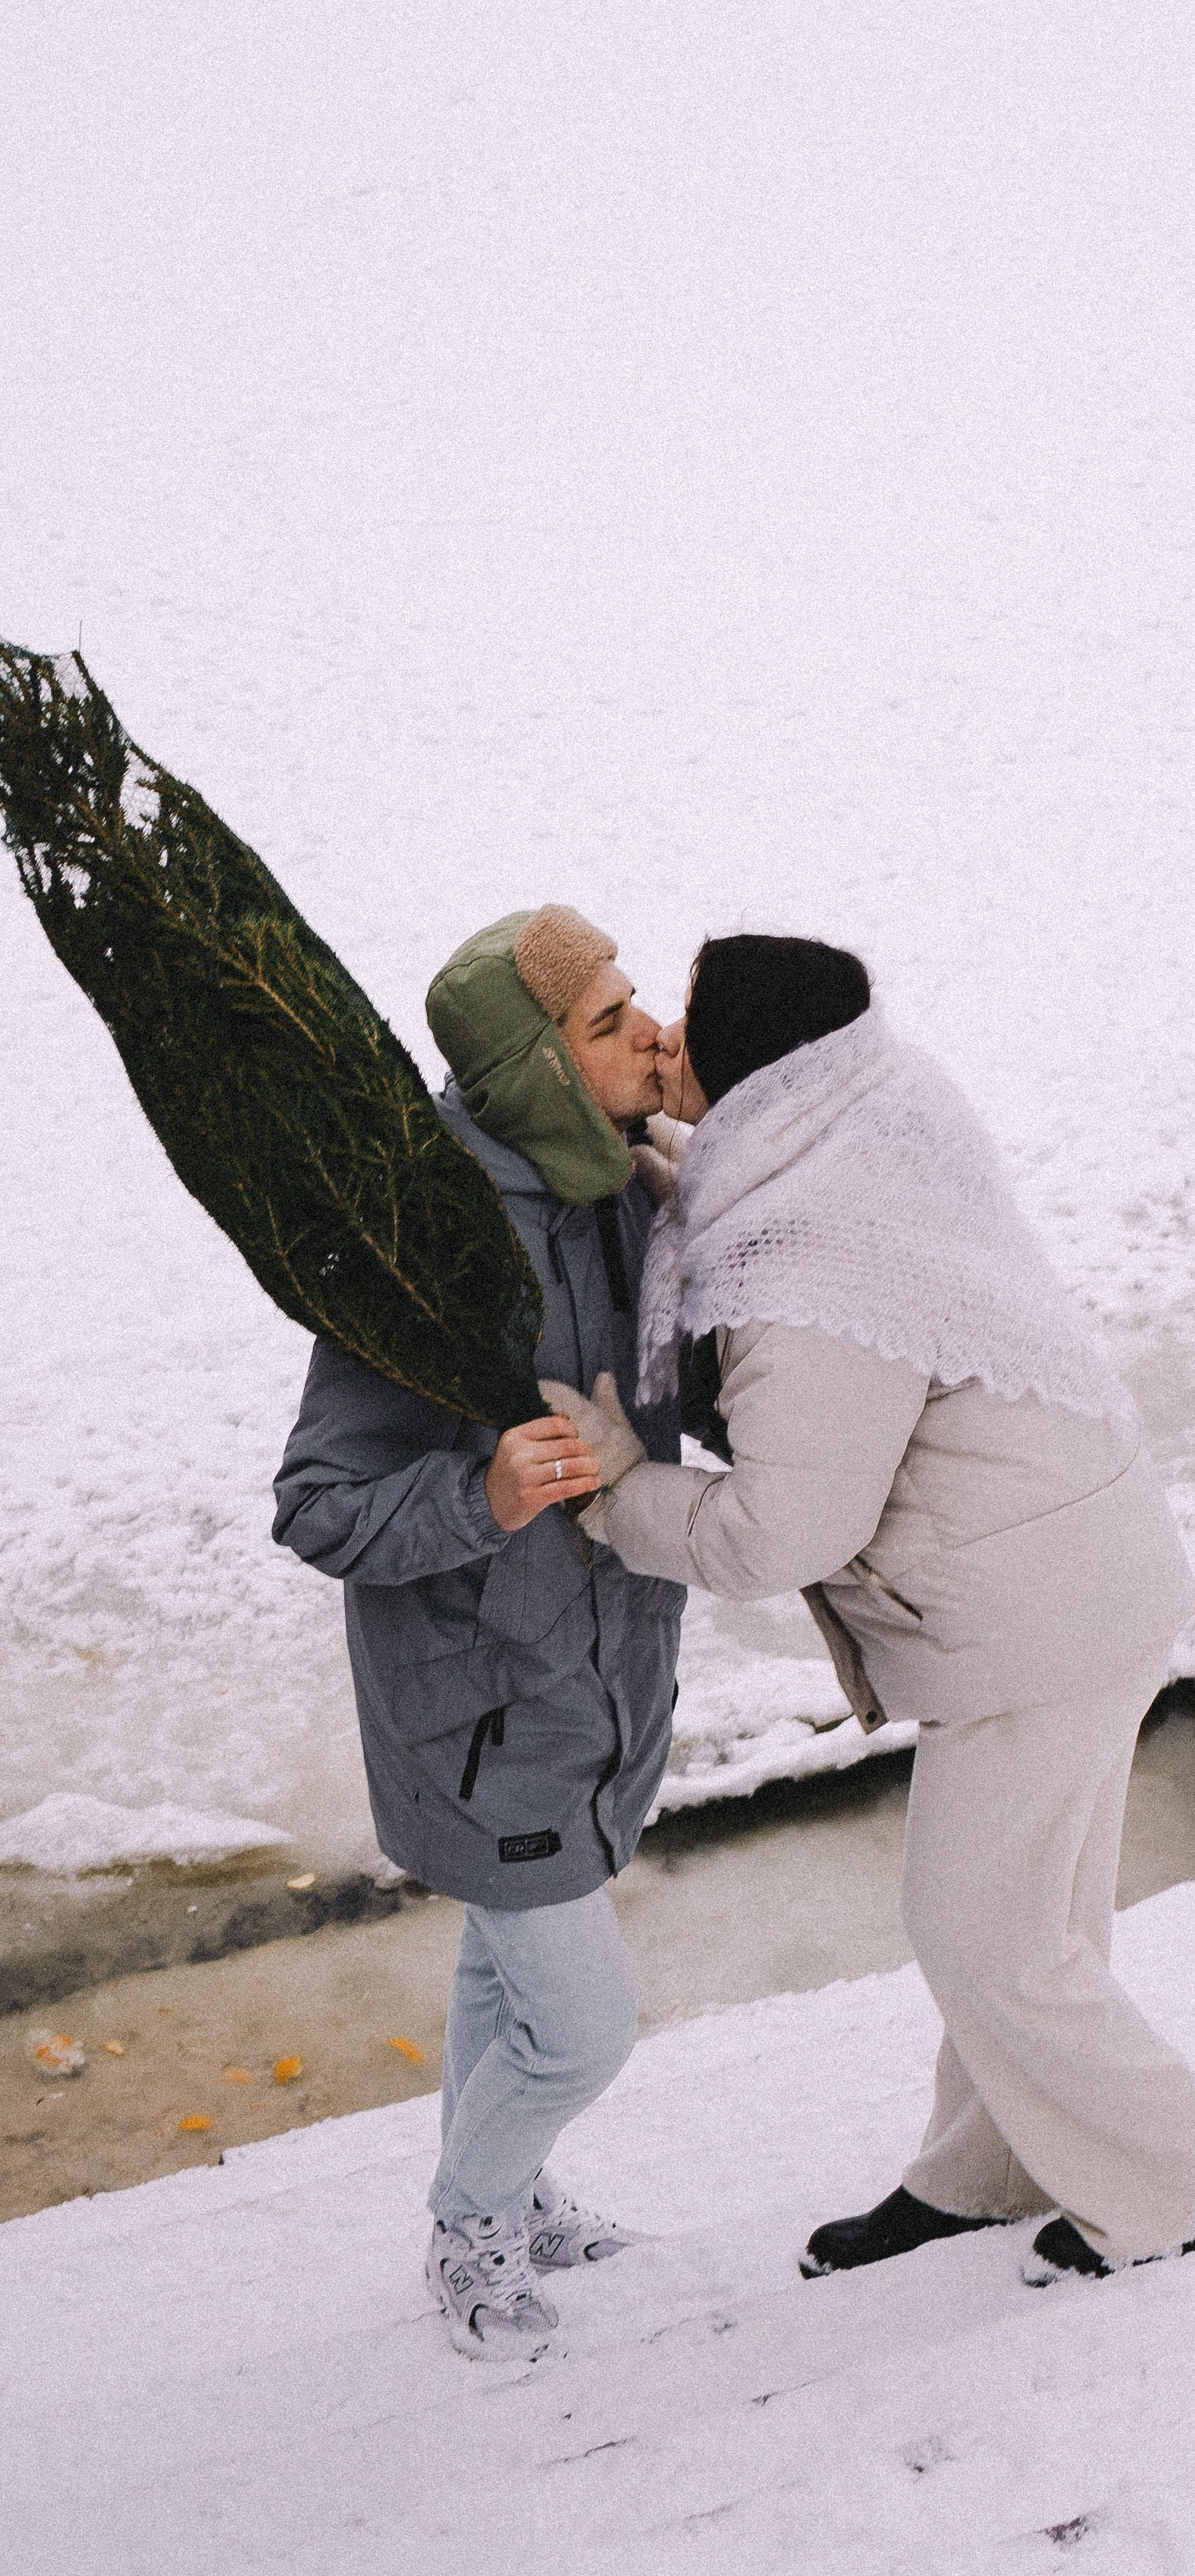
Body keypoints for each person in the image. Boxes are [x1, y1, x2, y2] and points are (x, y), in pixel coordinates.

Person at [564, 933, 1195, 2286]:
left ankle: (1189, 2195)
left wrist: (617, 1490)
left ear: (761, 1074)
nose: (660, 1040)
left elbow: (782, 1528)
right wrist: (661, 1151)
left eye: (687, 1030)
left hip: (1032, 1616)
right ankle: (992, 2169)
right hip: (1071, 1557)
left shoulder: (815, 1273)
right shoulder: (868, 1105)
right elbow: (743, 1199)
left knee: (984, 1932)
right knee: (1028, 1923)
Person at [273, 904, 685, 2361]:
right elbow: (318, 1502)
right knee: (579, 2029)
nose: (650, 1029)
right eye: (606, 1020)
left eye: (638, 999)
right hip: (483, 1707)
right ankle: (473, 2217)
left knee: (497, 1968)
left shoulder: (623, 1187)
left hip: (598, 1675)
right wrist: (482, 1490)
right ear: (528, 1071)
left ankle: (513, 2187)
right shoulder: (425, 1243)